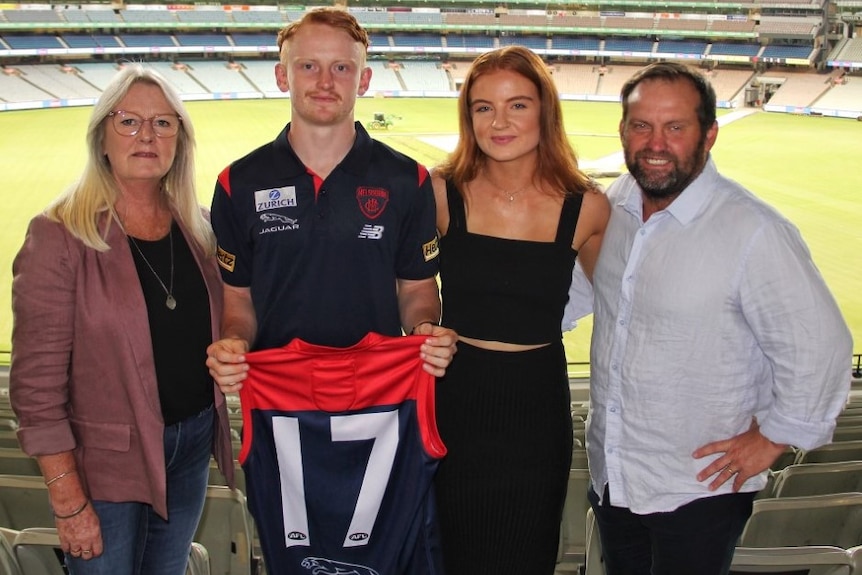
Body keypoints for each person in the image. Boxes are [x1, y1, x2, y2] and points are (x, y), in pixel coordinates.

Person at [204, 7, 457, 574]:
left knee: (377, 551)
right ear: (281, 75)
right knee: (300, 554)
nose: (325, 81)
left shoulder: (405, 179)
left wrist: (424, 332)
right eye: (309, 66)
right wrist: (234, 346)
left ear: (364, 80)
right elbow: (238, 302)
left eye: (342, 68)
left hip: (380, 403)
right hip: (282, 410)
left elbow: (418, 289)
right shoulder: (237, 182)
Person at [587, 61, 853, 574]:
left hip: (698, 490)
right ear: (622, 130)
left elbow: (822, 346)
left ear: (709, 135)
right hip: (616, 476)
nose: (656, 143)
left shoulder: (753, 231)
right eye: (642, 125)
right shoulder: (615, 203)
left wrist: (774, 436)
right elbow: (581, 295)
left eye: (676, 127)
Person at [9, 64, 235, 575]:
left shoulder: (200, 229)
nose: (147, 135)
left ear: (180, 137)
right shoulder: (59, 235)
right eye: (128, 121)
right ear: (101, 137)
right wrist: (67, 500)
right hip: (105, 466)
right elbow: (36, 388)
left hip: (192, 445)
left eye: (163, 123)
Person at [430, 46, 610, 575]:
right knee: (452, 555)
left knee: (525, 556)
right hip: (455, 403)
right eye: (483, 107)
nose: (499, 121)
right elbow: (401, 287)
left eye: (518, 105)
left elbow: (629, 313)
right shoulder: (440, 194)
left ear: (545, 111)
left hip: (536, 410)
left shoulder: (587, 207)